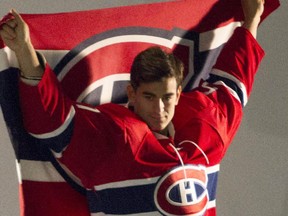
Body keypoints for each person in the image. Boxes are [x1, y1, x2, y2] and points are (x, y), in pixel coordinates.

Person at [0, 0, 265, 215]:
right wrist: (24, 50)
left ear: (179, 93)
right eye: (149, 97)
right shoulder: (115, 137)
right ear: (132, 94)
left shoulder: (206, 127)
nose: (160, 108)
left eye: (167, 97)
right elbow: (53, 120)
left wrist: (252, 19)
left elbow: (234, 81)